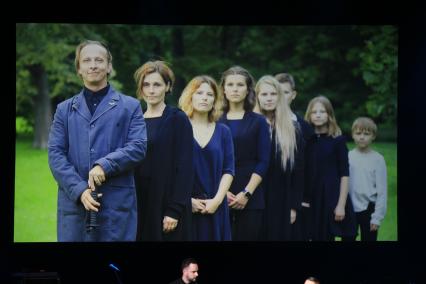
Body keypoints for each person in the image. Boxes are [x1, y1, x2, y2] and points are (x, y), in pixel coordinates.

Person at [48, 40, 147, 241]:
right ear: (79, 69)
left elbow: (138, 147)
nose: (93, 65)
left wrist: (105, 165)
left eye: (99, 60)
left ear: (109, 66)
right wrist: (80, 190)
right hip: (75, 205)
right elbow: (55, 155)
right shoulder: (64, 110)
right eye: (87, 60)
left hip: (116, 204)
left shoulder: (130, 106)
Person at [133, 61, 193, 241]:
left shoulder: (177, 119)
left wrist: (174, 210)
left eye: (157, 84)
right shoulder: (135, 121)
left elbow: (186, 167)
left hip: (166, 205)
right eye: (146, 84)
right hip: (139, 203)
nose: (151, 90)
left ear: (167, 86)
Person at [179, 75, 235, 241]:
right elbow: (169, 171)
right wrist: (186, 201)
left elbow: (229, 170)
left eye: (210, 94)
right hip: (185, 207)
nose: (204, 97)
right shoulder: (178, 127)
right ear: (190, 96)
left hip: (216, 207)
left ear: (215, 100)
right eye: (199, 93)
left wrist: (217, 201)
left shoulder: (224, 131)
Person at [218, 66, 271, 241]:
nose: (235, 89)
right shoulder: (215, 120)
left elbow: (264, 161)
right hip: (219, 195)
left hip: (251, 196)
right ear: (223, 89)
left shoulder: (259, 122)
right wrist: (222, 192)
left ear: (248, 89)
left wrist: (247, 193)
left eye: (240, 85)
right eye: (230, 84)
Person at [256, 75, 304, 241]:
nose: (269, 99)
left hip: (282, 199)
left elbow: (298, 170)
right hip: (255, 197)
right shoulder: (251, 125)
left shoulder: (292, 128)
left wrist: (293, 206)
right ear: (257, 97)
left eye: (273, 94)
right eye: (264, 94)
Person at [304, 96, 356, 241]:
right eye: (314, 112)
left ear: (329, 115)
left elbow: (344, 174)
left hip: (332, 198)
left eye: (323, 111)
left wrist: (341, 205)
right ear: (309, 115)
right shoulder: (306, 140)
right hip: (312, 199)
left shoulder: (337, 141)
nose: (318, 115)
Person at [275, 73, 316, 241]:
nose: (281, 97)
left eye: (285, 92)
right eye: (278, 92)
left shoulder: (305, 129)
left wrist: (301, 200)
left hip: (294, 197)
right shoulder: (262, 123)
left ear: (293, 94)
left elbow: (308, 168)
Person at [349, 117, 387, 241]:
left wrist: (377, 217)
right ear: (353, 135)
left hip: (369, 209)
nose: (362, 137)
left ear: (373, 136)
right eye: (358, 133)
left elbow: (382, 191)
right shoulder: (347, 156)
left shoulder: (378, 159)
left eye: (366, 134)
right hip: (349, 207)